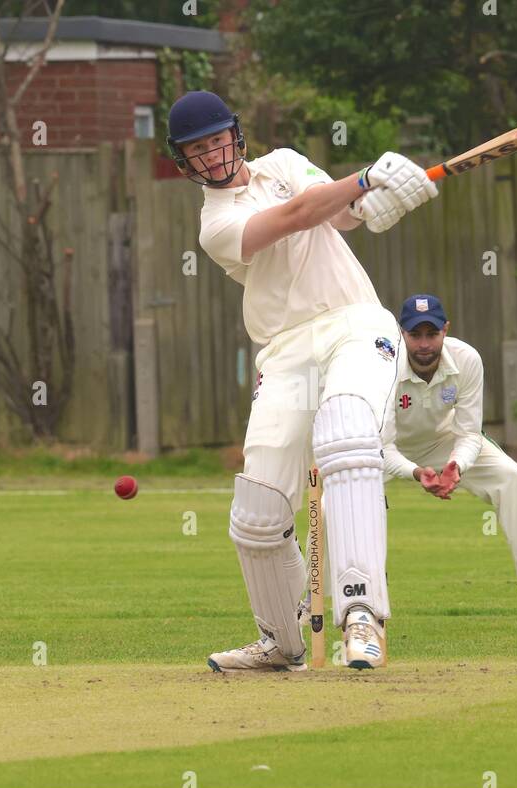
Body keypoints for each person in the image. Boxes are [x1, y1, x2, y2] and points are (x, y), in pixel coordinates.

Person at [166, 91, 438, 670]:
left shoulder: (284, 163)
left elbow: (333, 211)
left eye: (217, 140)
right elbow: (296, 217)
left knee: (346, 433)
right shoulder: (216, 225)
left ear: (234, 135)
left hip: (354, 323)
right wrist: (364, 178)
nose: (212, 155)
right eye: (198, 149)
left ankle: (361, 616)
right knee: (258, 513)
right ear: (184, 163)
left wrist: (369, 202)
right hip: (284, 349)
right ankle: (281, 643)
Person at [380, 294, 517, 622]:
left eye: (431, 334)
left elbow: (468, 434)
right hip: (386, 448)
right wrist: (416, 473)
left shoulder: (467, 360)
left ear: (445, 330)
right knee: (330, 504)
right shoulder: (385, 366)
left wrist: (456, 466)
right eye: (414, 335)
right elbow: (385, 447)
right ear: (401, 333)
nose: (423, 344)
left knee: (512, 476)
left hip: (442, 441)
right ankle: (310, 603)